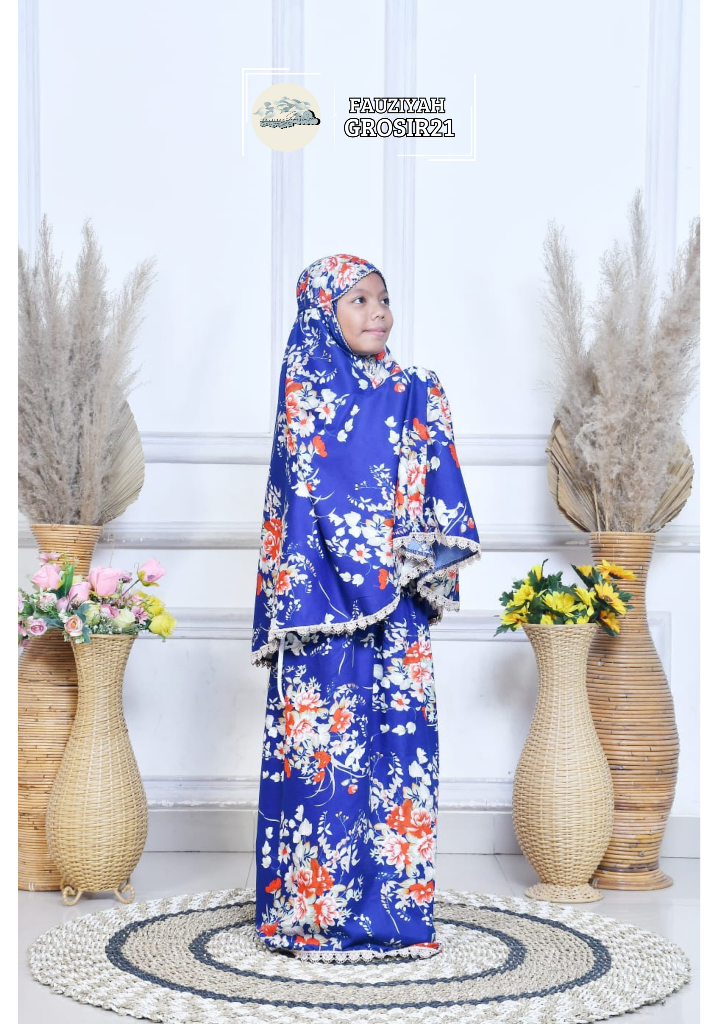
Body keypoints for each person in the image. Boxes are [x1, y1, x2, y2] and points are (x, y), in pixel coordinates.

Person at [251, 254, 480, 962]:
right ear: (323, 313)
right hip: (320, 609)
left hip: (395, 603)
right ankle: (312, 916)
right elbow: (308, 500)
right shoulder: (304, 393)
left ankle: (395, 916)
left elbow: (430, 480)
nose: (378, 310)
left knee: (400, 756)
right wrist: (371, 564)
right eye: (358, 299)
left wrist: (398, 562)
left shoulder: (414, 389)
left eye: (382, 297)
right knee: (324, 755)